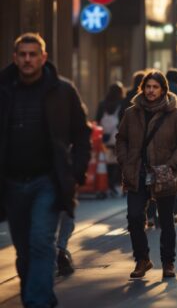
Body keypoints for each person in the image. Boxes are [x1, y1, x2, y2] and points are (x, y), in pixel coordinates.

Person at [0, 33, 91, 307]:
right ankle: (40, 296)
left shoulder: (63, 91)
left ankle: (36, 301)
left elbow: (81, 134)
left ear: (43, 57)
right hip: (12, 183)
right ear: (15, 58)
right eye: (23, 55)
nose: (28, 59)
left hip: (48, 182)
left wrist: (75, 173)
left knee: (41, 242)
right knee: (24, 251)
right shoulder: (3, 90)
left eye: (33, 54)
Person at [116, 70, 177, 278]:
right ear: (142, 88)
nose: (151, 91)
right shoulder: (131, 113)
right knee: (134, 217)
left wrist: (171, 164)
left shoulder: (175, 114)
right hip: (137, 172)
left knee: (166, 220)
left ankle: (168, 262)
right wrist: (125, 161)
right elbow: (121, 138)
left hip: (163, 173)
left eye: (155, 87)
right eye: (148, 87)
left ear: (163, 90)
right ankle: (142, 259)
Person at [96, 82, 125, 195]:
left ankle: (107, 184)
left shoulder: (102, 104)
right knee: (117, 161)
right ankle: (114, 183)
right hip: (116, 136)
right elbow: (123, 119)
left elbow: (97, 119)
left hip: (104, 136)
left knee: (105, 161)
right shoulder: (121, 103)